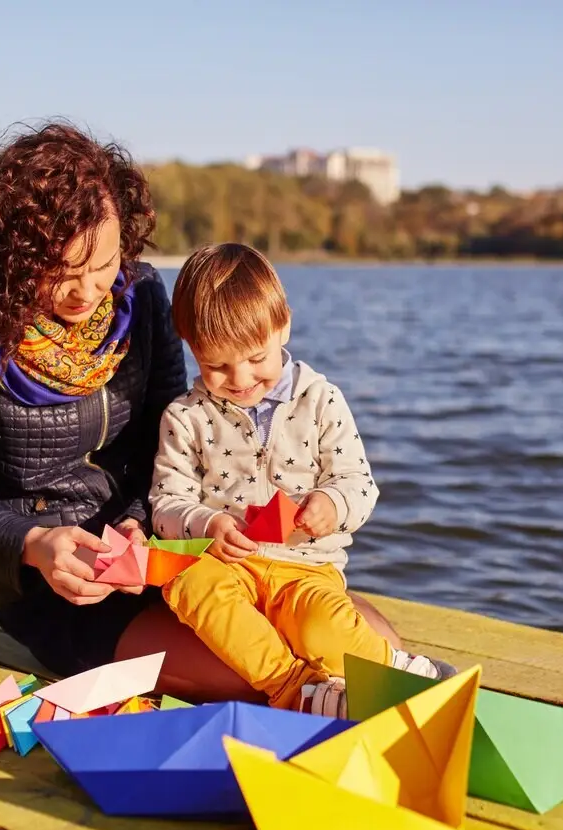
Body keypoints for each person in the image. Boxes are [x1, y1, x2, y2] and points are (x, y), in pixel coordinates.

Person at [0, 122, 401, 700]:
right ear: (11, 258)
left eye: (104, 264)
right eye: (62, 274)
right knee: (257, 677)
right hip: (68, 583)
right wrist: (34, 544)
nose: (89, 291)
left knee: (372, 649)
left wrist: (142, 521)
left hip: (182, 551)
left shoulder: (140, 295)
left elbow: (170, 439)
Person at [150, 243, 455, 717]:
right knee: (188, 585)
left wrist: (332, 504)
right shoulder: (185, 417)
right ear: (191, 348)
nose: (240, 378)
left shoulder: (321, 401)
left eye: (256, 357)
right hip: (229, 565)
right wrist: (207, 524)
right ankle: (297, 689)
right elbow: (166, 503)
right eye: (216, 366)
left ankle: (397, 673)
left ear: (283, 326)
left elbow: (358, 481)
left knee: (320, 627)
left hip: (306, 568)